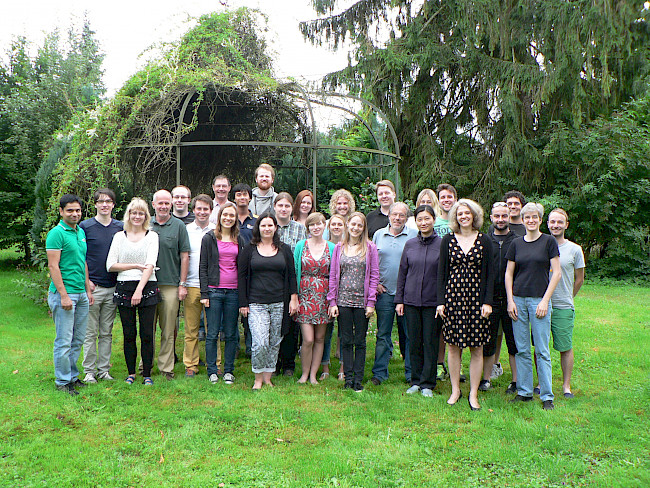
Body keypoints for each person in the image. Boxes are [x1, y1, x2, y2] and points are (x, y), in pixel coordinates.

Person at [436, 199, 494, 411]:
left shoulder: (484, 240)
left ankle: (473, 393)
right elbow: (441, 273)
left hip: (477, 300)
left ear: (474, 216)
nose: (464, 216)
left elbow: (490, 273)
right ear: (455, 217)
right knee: (453, 346)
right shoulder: (448, 240)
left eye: (467, 213)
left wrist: (487, 302)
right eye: (460, 213)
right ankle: (455, 390)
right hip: (453, 299)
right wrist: (440, 302)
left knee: (477, 347)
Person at [505, 202, 561, 410]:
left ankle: (547, 396)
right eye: (527, 217)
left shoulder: (548, 242)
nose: (530, 220)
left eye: (534, 217)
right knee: (522, 349)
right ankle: (524, 392)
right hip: (518, 300)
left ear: (540, 219)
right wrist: (510, 300)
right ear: (522, 219)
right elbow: (509, 273)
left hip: (539, 300)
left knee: (542, 350)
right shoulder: (516, 244)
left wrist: (545, 300)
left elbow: (557, 273)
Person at [238, 213, 298, 390]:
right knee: (260, 342)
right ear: (258, 228)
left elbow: (292, 275)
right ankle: (258, 377)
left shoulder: (284, 249)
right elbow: (241, 276)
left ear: (275, 228)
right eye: (263, 225)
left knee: (274, 342)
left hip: (279, 302)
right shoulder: (249, 249)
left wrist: (293, 298)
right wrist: (243, 303)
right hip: (256, 303)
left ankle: (267, 377)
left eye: (270, 225)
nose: (267, 228)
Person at [106, 198, 159, 386]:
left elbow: (150, 264)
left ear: (146, 216)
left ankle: (147, 374)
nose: (137, 216)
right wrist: (135, 265)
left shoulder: (152, 236)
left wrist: (139, 290)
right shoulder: (119, 237)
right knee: (129, 333)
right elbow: (111, 265)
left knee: (147, 333)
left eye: (141, 213)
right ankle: (131, 373)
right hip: (123, 287)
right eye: (134, 213)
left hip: (147, 286)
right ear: (128, 215)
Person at [46, 194, 94, 395]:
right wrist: (64, 295)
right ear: (61, 211)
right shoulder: (56, 233)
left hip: (81, 294)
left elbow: (82, 261)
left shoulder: (80, 232)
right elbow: (53, 266)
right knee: (64, 340)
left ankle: (73, 376)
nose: (75, 214)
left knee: (78, 339)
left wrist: (87, 289)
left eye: (78, 210)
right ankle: (62, 381)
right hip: (64, 294)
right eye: (70, 210)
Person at [327, 212, 379, 392]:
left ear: (364, 228)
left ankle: (358, 379)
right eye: (353, 224)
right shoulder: (339, 247)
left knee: (360, 341)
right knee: (346, 340)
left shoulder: (370, 248)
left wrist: (371, 302)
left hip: (361, 301)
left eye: (360, 225)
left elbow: (374, 276)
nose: (356, 228)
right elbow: (333, 276)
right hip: (343, 300)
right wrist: (332, 302)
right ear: (348, 225)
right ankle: (348, 379)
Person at [395, 205, 442, 398]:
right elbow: (402, 273)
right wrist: (399, 300)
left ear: (434, 220)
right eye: (420, 219)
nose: (423, 223)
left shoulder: (442, 244)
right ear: (415, 221)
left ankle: (428, 383)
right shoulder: (410, 244)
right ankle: (415, 380)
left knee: (430, 342)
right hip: (411, 301)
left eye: (427, 218)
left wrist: (442, 302)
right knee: (414, 342)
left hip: (433, 302)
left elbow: (445, 276)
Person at [80, 188, 123, 383]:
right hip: (93, 287)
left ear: (113, 204)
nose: (104, 204)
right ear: (95, 204)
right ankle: (89, 371)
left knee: (106, 332)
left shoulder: (120, 227)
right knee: (90, 333)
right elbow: (80, 256)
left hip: (113, 287)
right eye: (100, 201)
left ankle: (103, 370)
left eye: (108, 201)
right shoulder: (85, 227)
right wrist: (87, 282)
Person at [371, 202, 417, 386]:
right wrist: (375, 283)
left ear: (406, 217)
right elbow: (372, 261)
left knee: (409, 334)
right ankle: (379, 373)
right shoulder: (378, 235)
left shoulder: (414, 235)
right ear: (389, 216)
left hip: (407, 294)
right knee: (383, 334)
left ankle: (412, 373)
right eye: (394, 214)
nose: (397, 218)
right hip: (385, 294)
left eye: (401, 215)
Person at [200, 202, 244, 385]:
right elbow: (203, 267)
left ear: (235, 219)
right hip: (214, 291)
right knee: (212, 333)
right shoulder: (209, 238)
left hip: (233, 292)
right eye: (225, 215)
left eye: (232, 215)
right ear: (219, 217)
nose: (228, 218)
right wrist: (204, 293)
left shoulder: (239, 239)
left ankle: (228, 371)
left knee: (232, 333)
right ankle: (212, 371)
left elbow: (242, 268)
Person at [149, 189, 190, 380]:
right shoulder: (146, 224)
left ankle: (166, 368)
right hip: (147, 283)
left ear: (171, 204)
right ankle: (145, 365)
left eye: (167, 203)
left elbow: (185, 256)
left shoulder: (179, 226)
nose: (164, 206)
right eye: (160, 203)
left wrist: (182, 284)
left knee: (168, 329)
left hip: (170, 284)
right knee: (148, 328)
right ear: (153, 204)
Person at [547, 208, 585, 398]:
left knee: (565, 346)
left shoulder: (574, 249)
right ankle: (542, 383)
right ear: (547, 223)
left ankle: (566, 385)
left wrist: (569, 296)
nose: (556, 225)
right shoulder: (541, 245)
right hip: (541, 304)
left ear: (566, 225)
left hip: (563, 305)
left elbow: (580, 279)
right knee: (541, 346)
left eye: (560, 222)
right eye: (552, 221)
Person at [482, 202, 519, 394]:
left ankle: (515, 381)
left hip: (513, 298)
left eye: (504, 216)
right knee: (488, 341)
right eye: (497, 216)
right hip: (490, 298)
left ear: (510, 217)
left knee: (514, 341)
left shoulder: (518, 241)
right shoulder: (484, 241)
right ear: (491, 218)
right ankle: (486, 379)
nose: (501, 219)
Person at [294, 213, 335, 384]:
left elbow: (335, 275)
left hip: (324, 297)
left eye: (319, 224)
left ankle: (313, 375)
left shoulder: (332, 247)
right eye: (312, 224)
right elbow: (295, 271)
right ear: (308, 228)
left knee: (320, 338)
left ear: (324, 225)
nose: (316, 227)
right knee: (308, 339)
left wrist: (333, 300)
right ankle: (304, 373)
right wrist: (294, 297)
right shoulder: (301, 245)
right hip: (304, 296)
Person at [274, 192, 307, 376]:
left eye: (287, 206)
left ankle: (289, 363)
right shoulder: (269, 225)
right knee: (275, 323)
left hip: (293, 280)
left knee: (291, 323)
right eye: (280, 205)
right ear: (275, 207)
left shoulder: (300, 229)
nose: (284, 209)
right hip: (273, 281)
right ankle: (274, 362)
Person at [183, 194, 215, 378]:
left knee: (213, 329)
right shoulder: (186, 230)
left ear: (211, 211)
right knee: (191, 329)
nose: (202, 212)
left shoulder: (217, 230)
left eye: (206, 209)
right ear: (193, 210)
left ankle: (215, 363)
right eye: (199, 208)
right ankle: (191, 364)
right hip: (191, 284)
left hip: (212, 286)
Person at [434, 183, 458, 381]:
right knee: (440, 327)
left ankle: (457, 366)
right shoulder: (434, 222)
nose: (446, 200)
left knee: (458, 325)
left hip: (458, 280)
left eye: (450, 197)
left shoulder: (461, 221)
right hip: (436, 277)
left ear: (455, 199)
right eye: (443, 197)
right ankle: (440, 364)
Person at [231, 182, 257, 356]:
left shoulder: (256, 221)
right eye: (238, 194)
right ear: (234, 198)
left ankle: (250, 347)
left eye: (245, 194)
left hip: (251, 271)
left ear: (250, 198)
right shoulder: (228, 218)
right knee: (232, 311)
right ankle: (234, 347)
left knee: (250, 311)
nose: (242, 197)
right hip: (231, 270)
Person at [320, 214, 346, 381]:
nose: (336, 227)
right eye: (333, 224)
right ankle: (325, 367)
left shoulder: (348, 245)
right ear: (329, 227)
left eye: (340, 224)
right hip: (326, 293)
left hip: (344, 293)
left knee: (344, 332)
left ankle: (343, 368)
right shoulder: (324, 245)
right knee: (326, 332)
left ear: (344, 227)